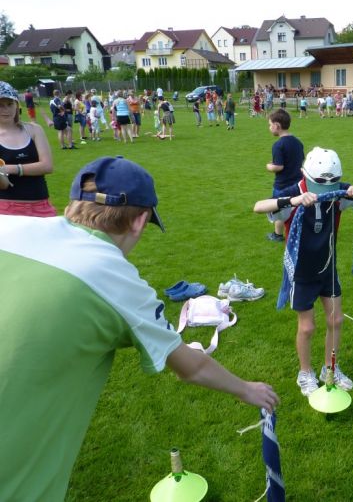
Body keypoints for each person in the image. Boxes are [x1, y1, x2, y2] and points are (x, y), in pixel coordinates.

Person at [0, 156, 279, 501]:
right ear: (140, 221)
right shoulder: (112, 277)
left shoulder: (8, 227)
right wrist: (247, 390)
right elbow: (191, 366)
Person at [253, 147, 353, 397]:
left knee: (336, 320)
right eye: (319, 184)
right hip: (301, 272)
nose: (325, 190)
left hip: (327, 267)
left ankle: (329, 369)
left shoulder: (337, 192)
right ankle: (305, 373)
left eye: (331, 184)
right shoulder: (295, 192)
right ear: (306, 175)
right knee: (307, 328)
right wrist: (292, 201)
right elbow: (258, 206)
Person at [0, 81, 56, 217]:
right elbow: (3, 185)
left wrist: (10, 169)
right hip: (6, 210)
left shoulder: (34, 129)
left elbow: (47, 166)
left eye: (9, 104)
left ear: (16, 105)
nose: (5, 109)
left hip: (41, 206)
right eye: (0, 105)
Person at [265, 109, 304, 242]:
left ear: (277, 125)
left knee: (280, 209)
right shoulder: (298, 142)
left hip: (282, 184)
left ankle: (277, 235)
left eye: (270, 125)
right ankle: (297, 233)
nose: (269, 128)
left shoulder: (278, 145)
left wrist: (269, 166)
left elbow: (279, 166)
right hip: (298, 184)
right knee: (296, 209)